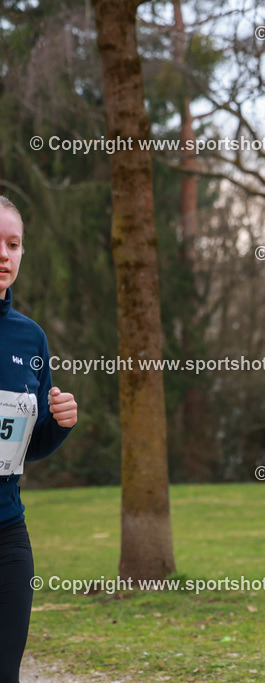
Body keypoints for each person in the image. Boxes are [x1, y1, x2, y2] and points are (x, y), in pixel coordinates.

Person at [0, 195, 78, 683]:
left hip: (7, 528)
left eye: (14, 244)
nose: (4, 255)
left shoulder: (30, 338)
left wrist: (59, 423)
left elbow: (30, 444)